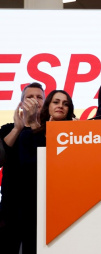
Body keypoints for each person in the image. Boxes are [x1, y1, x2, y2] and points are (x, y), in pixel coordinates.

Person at [18, 89, 75, 254]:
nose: (60, 106)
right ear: (48, 106)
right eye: (56, 102)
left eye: (65, 104)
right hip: (35, 206)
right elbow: (29, 167)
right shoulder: (29, 135)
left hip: (66, 207)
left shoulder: (77, 137)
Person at [0, 82, 45, 254]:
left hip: (39, 207)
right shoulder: (7, 129)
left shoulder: (49, 131)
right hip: (10, 206)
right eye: (30, 97)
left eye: (39, 97)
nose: (35, 101)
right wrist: (18, 128)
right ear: (21, 103)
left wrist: (34, 123)